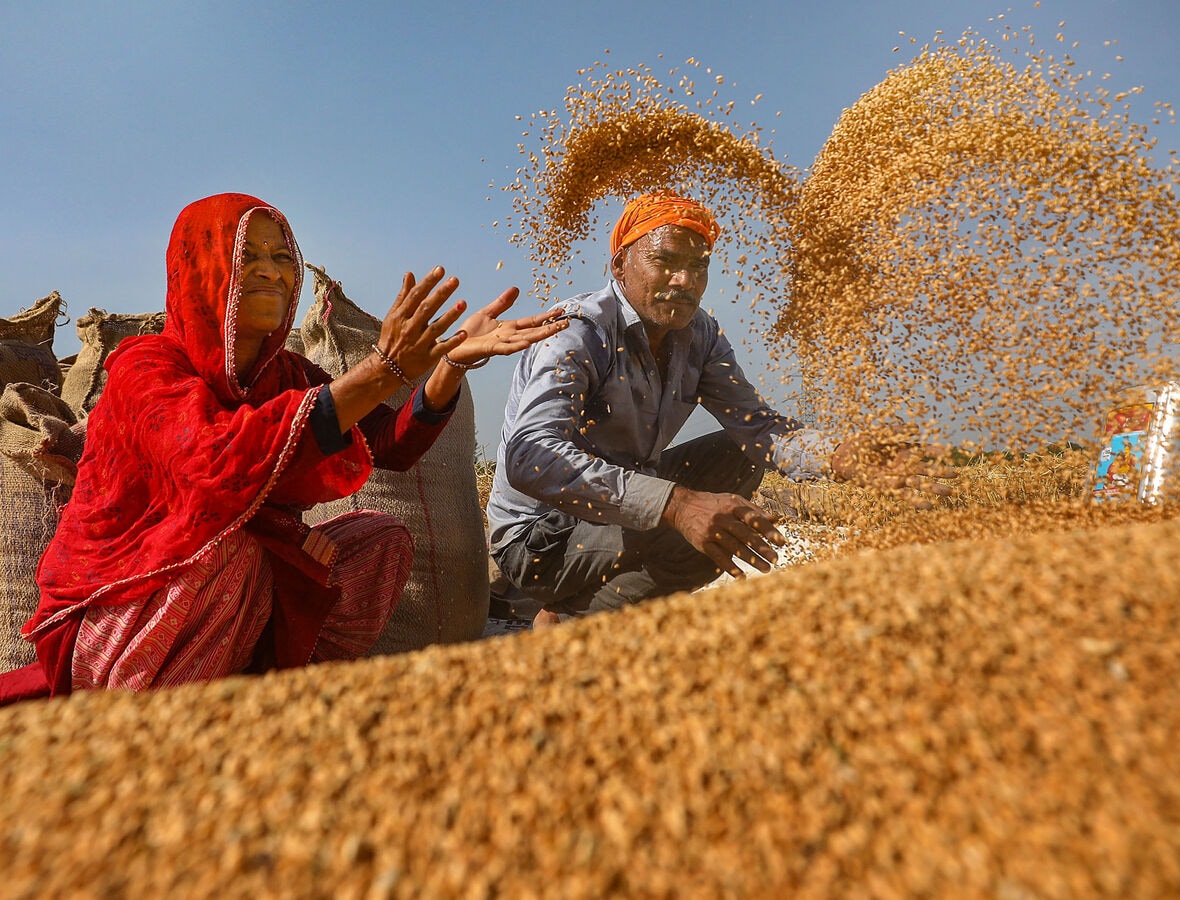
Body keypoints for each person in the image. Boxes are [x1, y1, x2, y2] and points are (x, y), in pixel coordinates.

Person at [0, 192, 566, 703]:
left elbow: (385, 446)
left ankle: (279, 699)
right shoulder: (144, 367)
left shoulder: (288, 373)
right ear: (205, 270)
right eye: (250, 257)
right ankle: (167, 724)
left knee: (379, 541)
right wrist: (380, 371)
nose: (272, 273)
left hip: (232, 596)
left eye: (282, 257)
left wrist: (446, 368)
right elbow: (212, 464)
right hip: (124, 616)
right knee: (226, 551)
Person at [487, 190, 949, 624]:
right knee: (694, 524)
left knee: (735, 456)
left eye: (699, 266)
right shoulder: (579, 332)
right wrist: (676, 504)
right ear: (621, 264)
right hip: (539, 538)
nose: (684, 280)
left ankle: (580, 609)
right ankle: (573, 617)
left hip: (619, 513)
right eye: (665, 261)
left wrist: (839, 455)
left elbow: (759, 427)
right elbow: (531, 457)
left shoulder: (700, 336)